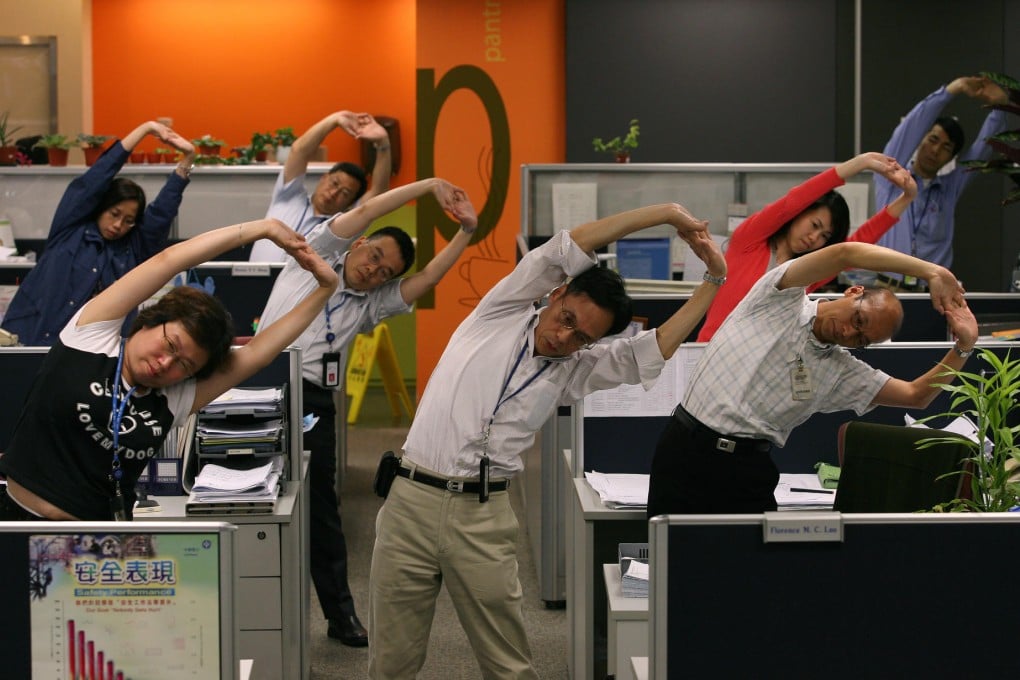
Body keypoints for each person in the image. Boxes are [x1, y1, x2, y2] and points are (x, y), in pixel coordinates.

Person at [367, 203, 725, 678]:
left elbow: (651, 350)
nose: (564, 336)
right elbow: (572, 244)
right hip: (411, 499)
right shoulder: (500, 311)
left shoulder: (575, 369)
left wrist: (713, 282)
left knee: (509, 666)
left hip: (483, 515)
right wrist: (662, 214)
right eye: (567, 318)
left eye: (581, 336)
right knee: (391, 663)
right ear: (556, 295)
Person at [255, 177, 479, 647]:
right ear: (358, 244)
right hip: (258, 381)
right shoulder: (313, 254)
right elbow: (371, 208)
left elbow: (428, 280)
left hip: (313, 402)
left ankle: (341, 617)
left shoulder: (372, 303)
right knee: (246, 498)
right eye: (373, 257)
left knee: (321, 513)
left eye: (385, 272)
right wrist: (430, 186)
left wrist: (465, 233)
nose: (373, 271)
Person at [0, 217, 338, 522]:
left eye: (184, 365)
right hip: (16, 518)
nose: (165, 364)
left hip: (95, 546)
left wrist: (325, 290)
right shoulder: (91, 337)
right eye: (170, 346)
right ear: (150, 322)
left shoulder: (174, 398)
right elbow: (168, 262)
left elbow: (260, 353)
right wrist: (261, 229)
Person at [647, 241, 977, 517]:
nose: (849, 332)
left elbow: (916, 395)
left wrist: (963, 347)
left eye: (860, 339)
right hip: (685, 450)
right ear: (853, 291)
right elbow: (845, 254)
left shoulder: (840, 371)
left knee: (748, 582)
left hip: (746, 471)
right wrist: (932, 271)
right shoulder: (780, 298)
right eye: (857, 318)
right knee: (669, 574)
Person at [1, 120, 197, 346]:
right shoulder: (70, 229)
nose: (118, 225)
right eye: (114, 214)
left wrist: (188, 159)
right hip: (29, 338)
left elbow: (162, 212)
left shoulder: (133, 251)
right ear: (102, 207)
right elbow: (96, 178)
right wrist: (146, 129)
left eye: (128, 221)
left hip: (86, 355)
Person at [697, 151, 917, 341]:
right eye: (814, 225)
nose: (814, 238)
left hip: (754, 369)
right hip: (707, 350)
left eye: (824, 236)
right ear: (799, 213)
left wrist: (907, 198)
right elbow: (796, 198)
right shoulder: (750, 241)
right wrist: (862, 162)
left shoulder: (806, 271)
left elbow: (859, 243)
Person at [874, 74, 1010, 289]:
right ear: (922, 140)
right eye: (933, 140)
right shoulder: (890, 178)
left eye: (946, 147)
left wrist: (999, 107)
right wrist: (951, 91)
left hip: (933, 292)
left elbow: (983, 149)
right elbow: (910, 127)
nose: (935, 150)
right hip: (888, 289)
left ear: (952, 158)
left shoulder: (949, 188)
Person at [249, 111, 392, 262]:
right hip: (252, 280)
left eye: (344, 193)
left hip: (302, 285)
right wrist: (334, 120)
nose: (334, 193)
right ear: (324, 178)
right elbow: (299, 151)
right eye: (334, 183)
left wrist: (383, 143)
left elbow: (379, 191)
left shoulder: (342, 226)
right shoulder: (289, 195)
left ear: (350, 203)